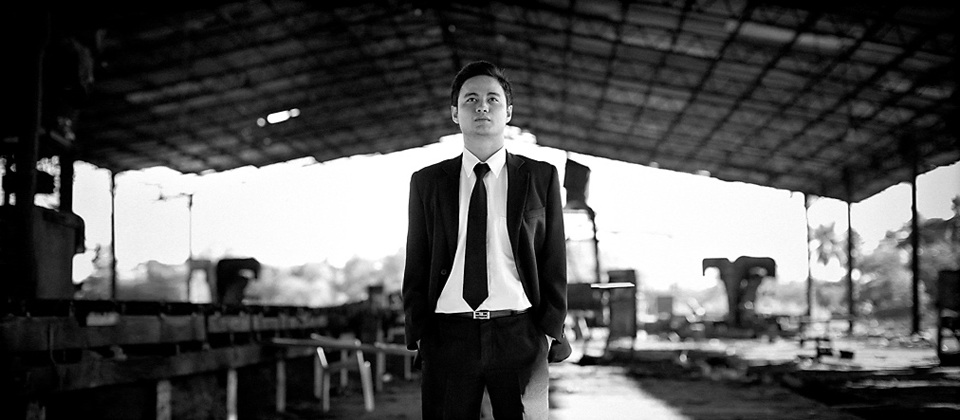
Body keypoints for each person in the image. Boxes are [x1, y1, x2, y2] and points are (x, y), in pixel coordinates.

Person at [402, 61, 571, 420]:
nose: (482, 106)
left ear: (508, 112)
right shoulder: (427, 182)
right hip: (447, 338)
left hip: (520, 335)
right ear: (455, 113)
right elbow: (416, 259)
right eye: (471, 99)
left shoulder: (540, 177)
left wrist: (548, 331)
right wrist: (420, 331)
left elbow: (554, 258)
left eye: (493, 99)